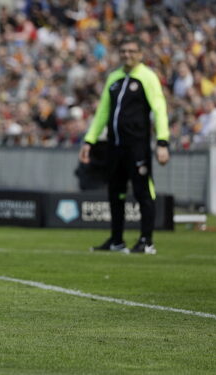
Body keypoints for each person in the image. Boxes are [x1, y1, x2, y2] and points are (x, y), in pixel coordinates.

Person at [79, 36, 170, 255]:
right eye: (123, 51)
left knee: (142, 192)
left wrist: (162, 142)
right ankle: (116, 240)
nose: (127, 55)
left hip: (137, 146)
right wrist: (89, 140)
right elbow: (102, 112)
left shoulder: (147, 77)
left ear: (140, 54)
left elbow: (159, 109)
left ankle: (146, 241)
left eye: (132, 51)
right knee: (115, 192)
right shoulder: (114, 78)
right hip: (114, 146)